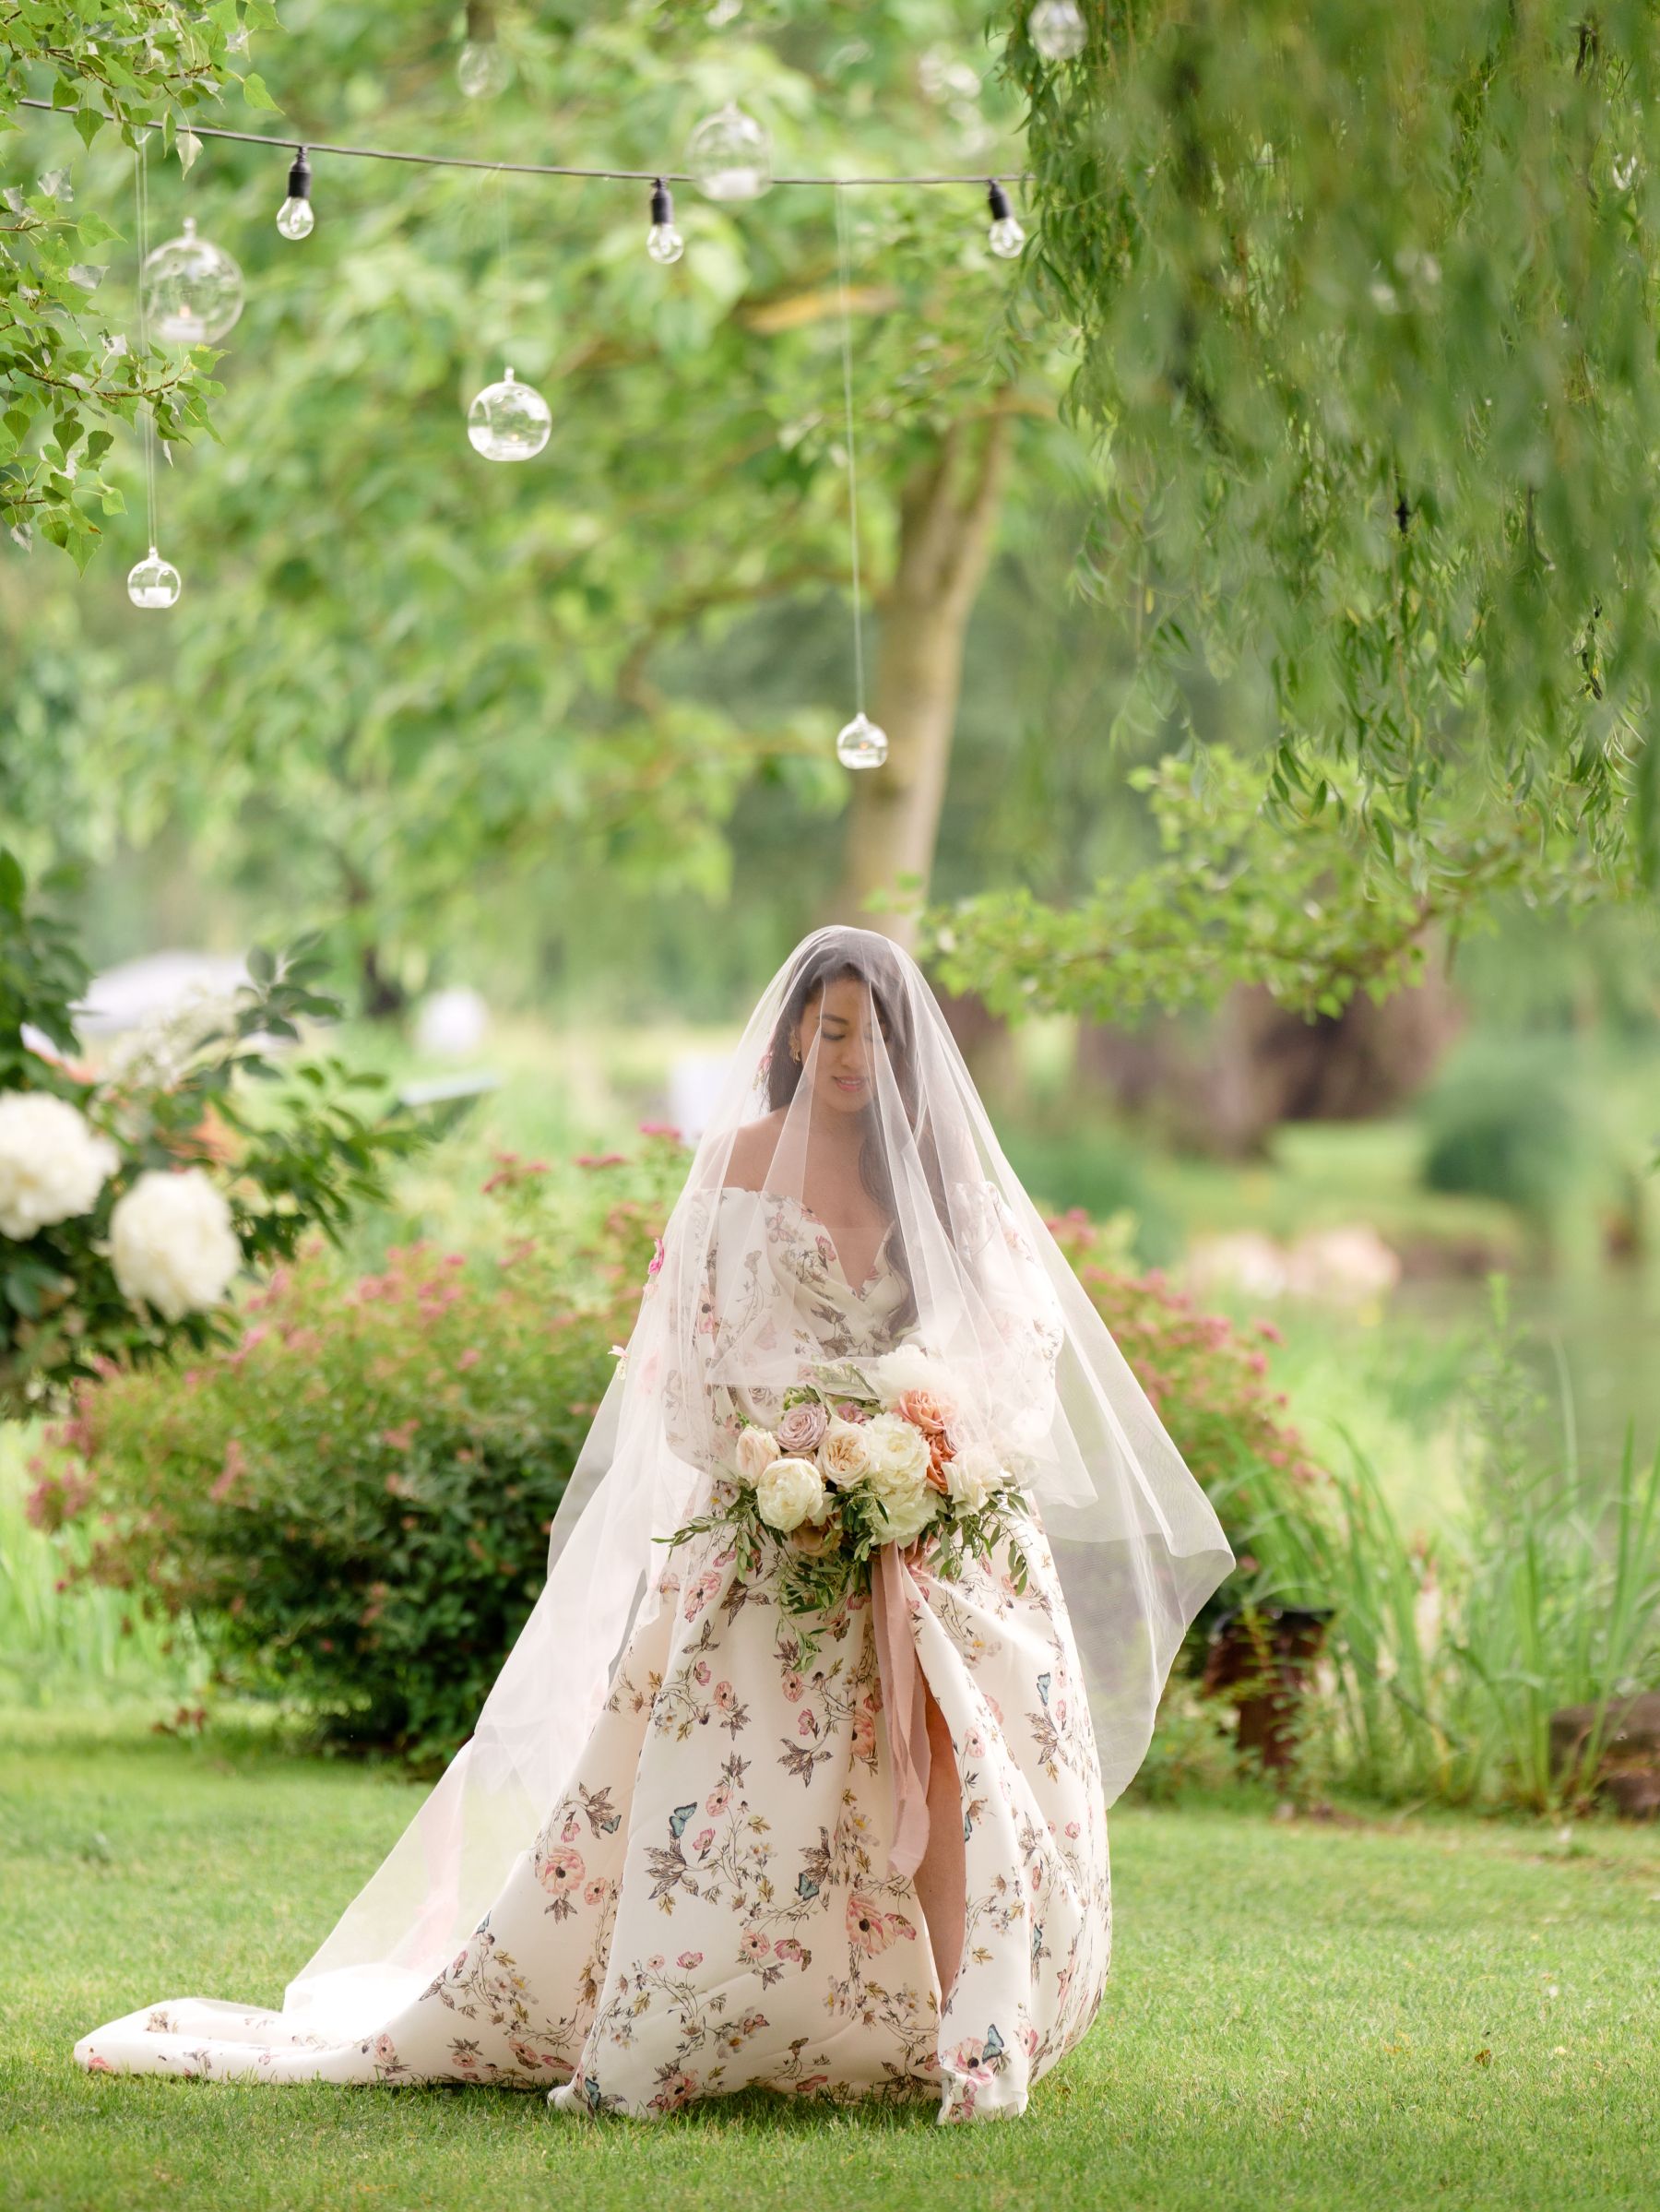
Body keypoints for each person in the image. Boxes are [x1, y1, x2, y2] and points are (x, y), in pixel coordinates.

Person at [72, 927, 1233, 2123]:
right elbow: (687, 1376)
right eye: (832, 1029)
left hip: (934, 1527)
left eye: (874, 1036)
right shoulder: (735, 1168)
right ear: (794, 1034)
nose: (852, 1055)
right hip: (784, 1517)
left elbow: (1017, 1347)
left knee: (953, 1760)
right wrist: (800, 1465)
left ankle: (975, 2035)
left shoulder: (940, 1178)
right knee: (751, 1794)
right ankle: (705, 2013)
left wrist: (934, 1450)